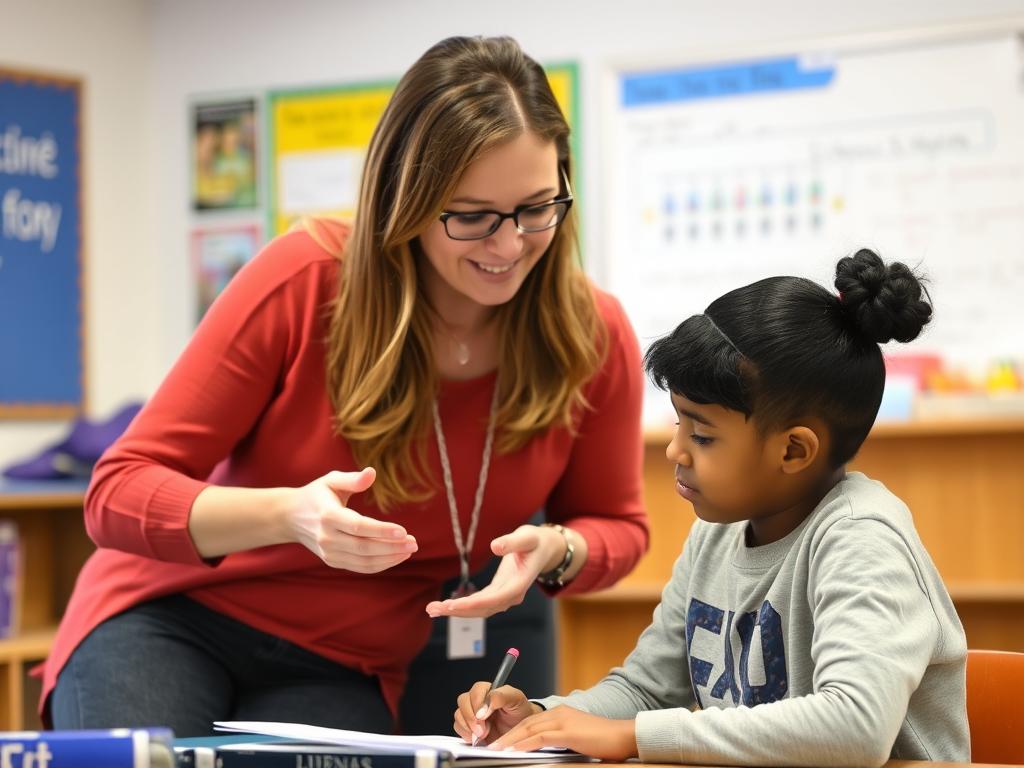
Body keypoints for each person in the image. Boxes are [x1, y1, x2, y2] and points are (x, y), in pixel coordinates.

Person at [43, 36, 649, 736]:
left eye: (537, 207)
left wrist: (558, 550)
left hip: (338, 664)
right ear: (407, 198)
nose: (509, 244)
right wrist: (289, 516)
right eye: (473, 215)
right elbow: (116, 491)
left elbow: (621, 525)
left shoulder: (591, 332)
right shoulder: (305, 279)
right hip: (170, 617)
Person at [455, 249, 970, 766]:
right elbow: (647, 691)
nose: (675, 450)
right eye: (679, 424)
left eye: (701, 435)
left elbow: (856, 725)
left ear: (793, 450)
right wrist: (540, 719)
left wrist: (635, 736)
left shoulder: (862, 539)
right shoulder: (717, 535)